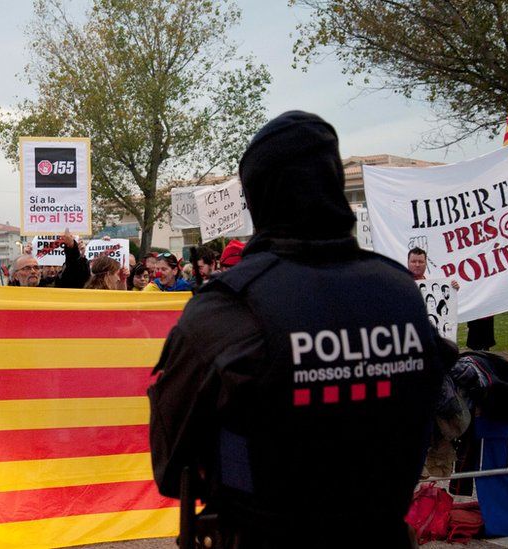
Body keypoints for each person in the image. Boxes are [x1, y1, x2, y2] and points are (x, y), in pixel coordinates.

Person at [149, 112, 456, 547]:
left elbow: (170, 464)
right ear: (333, 186)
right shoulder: (400, 290)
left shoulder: (228, 308)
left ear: (256, 199)